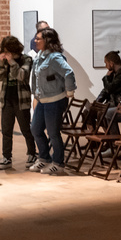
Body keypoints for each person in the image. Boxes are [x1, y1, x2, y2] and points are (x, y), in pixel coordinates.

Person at [29, 28, 76, 176]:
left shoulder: (55, 57)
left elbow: (68, 72)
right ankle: (44, 157)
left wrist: (70, 91)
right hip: (42, 100)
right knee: (35, 129)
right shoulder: (39, 56)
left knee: (53, 133)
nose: (35, 41)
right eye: (35, 38)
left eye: (38, 39)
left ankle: (58, 163)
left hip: (55, 100)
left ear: (47, 40)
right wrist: (35, 95)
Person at [0, 36, 37, 170]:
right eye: (4, 51)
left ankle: (32, 153)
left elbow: (22, 76)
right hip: (7, 100)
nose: (6, 54)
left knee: (25, 129)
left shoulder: (26, 59)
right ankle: (6, 157)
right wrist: (1, 64)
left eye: (8, 51)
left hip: (21, 100)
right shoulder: (5, 62)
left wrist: (12, 62)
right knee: (6, 130)